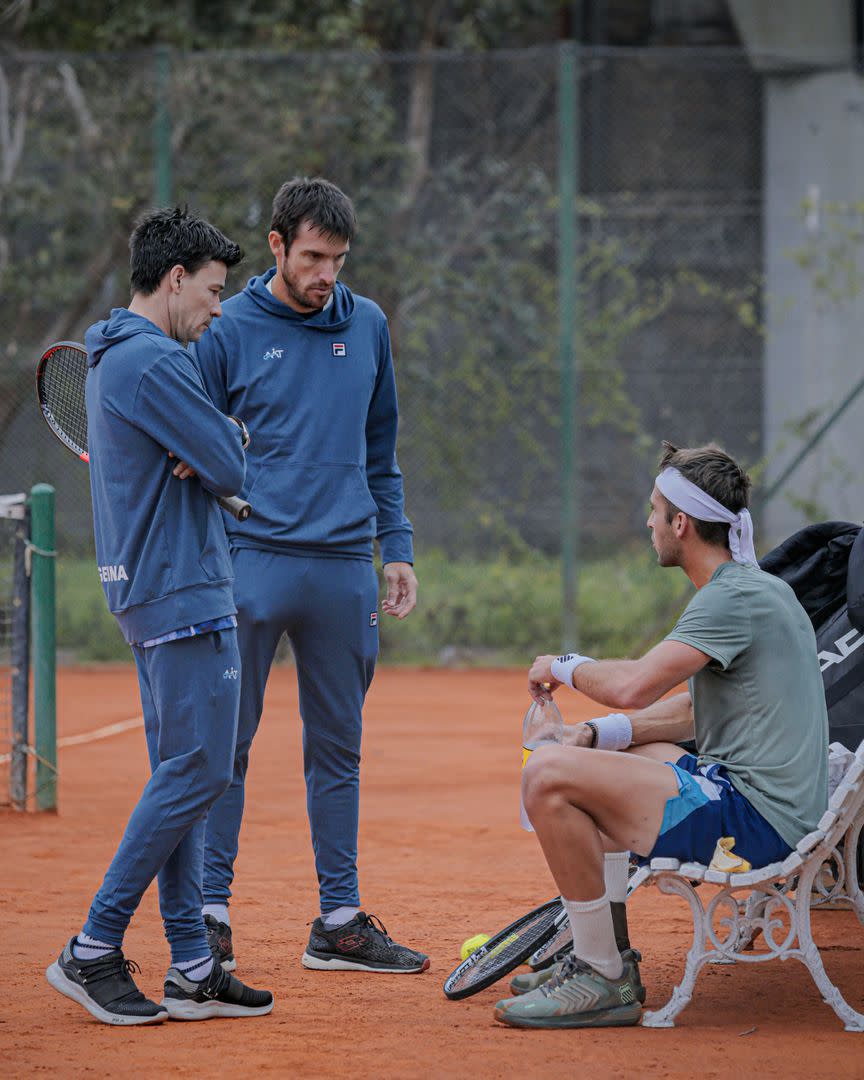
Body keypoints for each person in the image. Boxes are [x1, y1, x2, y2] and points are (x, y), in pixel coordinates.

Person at [495, 441, 828, 1029]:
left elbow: (635, 685)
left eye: (654, 510)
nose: (647, 522)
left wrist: (562, 665)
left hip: (757, 826)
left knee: (546, 774)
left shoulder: (731, 597)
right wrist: (600, 734)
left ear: (682, 523)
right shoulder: (753, 590)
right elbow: (695, 715)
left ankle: (602, 976)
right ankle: (603, 950)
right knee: (626, 747)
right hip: (771, 806)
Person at [193, 177, 428, 973]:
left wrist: (395, 546)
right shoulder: (226, 330)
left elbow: (380, 450)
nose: (328, 273)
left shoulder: (367, 326)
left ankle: (338, 923)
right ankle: (211, 917)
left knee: (340, 749)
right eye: (314, 257)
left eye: (338, 259)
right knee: (227, 745)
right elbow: (195, 451)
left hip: (343, 569)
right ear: (277, 248)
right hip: (249, 561)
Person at [46, 207, 274, 1025]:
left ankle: (190, 963)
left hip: (152, 590)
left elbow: (215, 459)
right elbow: (228, 458)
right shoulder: (152, 362)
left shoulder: (120, 355)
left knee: (183, 772)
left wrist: (217, 444)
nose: (218, 310)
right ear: (175, 280)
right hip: (181, 592)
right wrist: (227, 436)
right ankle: (94, 947)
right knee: (200, 773)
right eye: (213, 292)